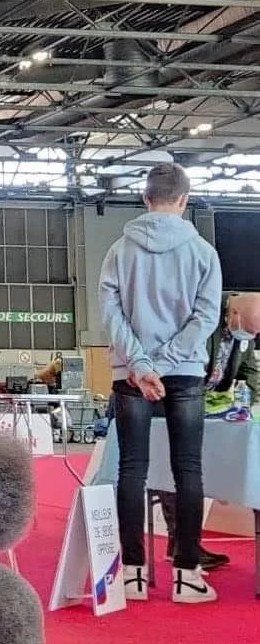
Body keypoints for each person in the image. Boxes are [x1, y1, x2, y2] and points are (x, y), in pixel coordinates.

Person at [99, 162, 221, 605]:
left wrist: (142, 363)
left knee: (131, 469)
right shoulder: (204, 253)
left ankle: (131, 573)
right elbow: (206, 317)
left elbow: (111, 315)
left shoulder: (118, 251)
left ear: (145, 198)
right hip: (185, 371)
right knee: (188, 469)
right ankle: (188, 575)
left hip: (131, 374)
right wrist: (165, 361)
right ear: (185, 200)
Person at [154, 294, 260, 572]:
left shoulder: (244, 329)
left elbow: (250, 371)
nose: (248, 336)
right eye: (247, 329)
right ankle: (181, 544)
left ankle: (185, 543)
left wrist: (257, 400)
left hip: (212, 407)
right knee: (176, 469)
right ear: (233, 312)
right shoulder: (201, 315)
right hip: (176, 401)